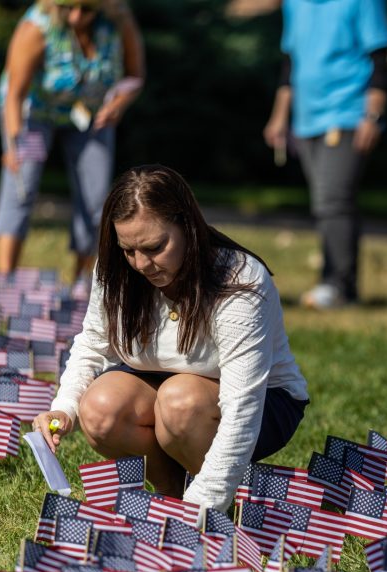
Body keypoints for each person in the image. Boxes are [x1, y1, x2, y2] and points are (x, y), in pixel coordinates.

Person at [33, 165, 310, 515]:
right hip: (163, 388)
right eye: (129, 250)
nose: (141, 264)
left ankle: (216, 509)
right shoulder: (117, 268)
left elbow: (242, 408)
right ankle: (171, 497)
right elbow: (93, 341)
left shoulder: (239, 281)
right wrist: (65, 406)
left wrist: (202, 508)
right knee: (100, 408)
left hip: (259, 401)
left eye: (154, 247)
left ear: (188, 227)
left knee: (179, 402)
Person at [0, 0, 145, 283]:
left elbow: (135, 75)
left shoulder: (118, 22)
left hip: (90, 115)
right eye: (68, 8)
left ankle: (82, 283)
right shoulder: (37, 27)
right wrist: (14, 145)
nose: (76, 16)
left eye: (85, 9)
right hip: (32, 113)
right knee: (21, 186)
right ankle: (6, 280)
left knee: (96, 196)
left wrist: (119, 104)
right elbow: (15, 93)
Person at [263, 0, 387, 310]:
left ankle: (340, 286)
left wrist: (372, 116)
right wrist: (280, 116)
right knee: (324, 203)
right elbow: (289, 64)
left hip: (347, 113)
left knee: (334, 200)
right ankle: (332, 280)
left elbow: (380, 60)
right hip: (308, 119)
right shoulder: (295, 4)